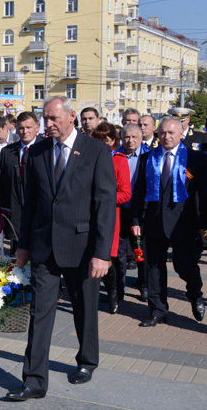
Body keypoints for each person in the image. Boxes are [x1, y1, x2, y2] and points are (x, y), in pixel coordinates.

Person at [7, 96, 116, 401]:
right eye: (46, 118)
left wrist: (102, 253)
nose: (49, 124)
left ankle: (87, 360)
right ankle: (34, 381)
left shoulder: (96, 150)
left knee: (84, 309)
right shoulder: (38, 151)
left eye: (54, 118)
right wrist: (23, 246)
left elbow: (105, 204)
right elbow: (30, 204)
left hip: (82, 248)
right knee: (40, 313)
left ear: (71, 117)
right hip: (44, 247)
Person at [131, 115, 207, 328]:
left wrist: (203, 225)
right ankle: (158, 310)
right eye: (163, 133)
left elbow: (204, 194)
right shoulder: (147, 159)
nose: (167, 137)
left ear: (181, 134)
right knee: (154, 269)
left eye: (171, 132)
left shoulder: (196, 159)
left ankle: (195, 294)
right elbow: (139, 192)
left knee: (185, 267)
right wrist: (136, 220)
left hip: (184, 223)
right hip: (153, 222)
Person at [90, 122, 132, 314]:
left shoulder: (119, 160)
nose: (101, 144)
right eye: (98, 140)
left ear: (113, 141)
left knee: (107, 256)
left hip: (109, 215)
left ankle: (113, 293)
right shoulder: (87, 158)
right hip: (87, 213)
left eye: (105, 141)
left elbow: (126, 193)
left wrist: (105, 197)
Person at [0, 112, 43, 255]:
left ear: (37, 128)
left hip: (39, 219)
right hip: (15, 219)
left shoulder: (46, 148)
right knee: (16, 260)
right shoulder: (7, 152)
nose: (25, 131)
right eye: (21, 128)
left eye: (29, 127)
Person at [115, 123, 150, 301]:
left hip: (140, 212)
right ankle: (118, 289)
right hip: (119, 210)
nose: (130, 141)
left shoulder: (149, 157)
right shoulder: (114, 155)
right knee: (119, 252)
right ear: (121, 138)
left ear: (141, 137)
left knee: (140, 250)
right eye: (126, 137)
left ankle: (144, 285)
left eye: (134, 137)